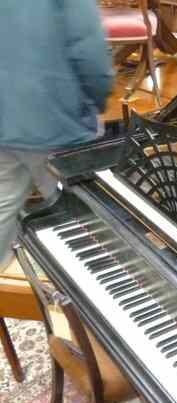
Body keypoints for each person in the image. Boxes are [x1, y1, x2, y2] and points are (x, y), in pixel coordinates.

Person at [0, 0, 113, 271]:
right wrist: (97, 100)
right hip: (56, 121)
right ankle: (87, 291)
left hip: (5, 118)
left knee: (2, 205)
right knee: (83, 221)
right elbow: (90, 56)